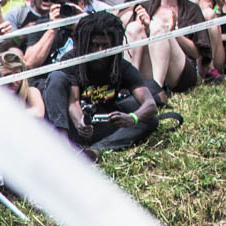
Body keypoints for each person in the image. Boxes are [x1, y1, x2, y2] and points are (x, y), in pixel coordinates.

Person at [42, 11, 159, 156]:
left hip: (104, 124)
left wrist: (132, 118)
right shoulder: (72, 59)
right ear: (86, 43)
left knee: (150, 120)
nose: (100, 51)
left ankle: (96, 150)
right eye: (95, 45)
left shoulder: (119, 65)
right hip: (73, 124)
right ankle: (63, 146)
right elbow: (74, 102)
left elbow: (150, 104)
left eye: (105, 45)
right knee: (56, 77)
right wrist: (80, 123)